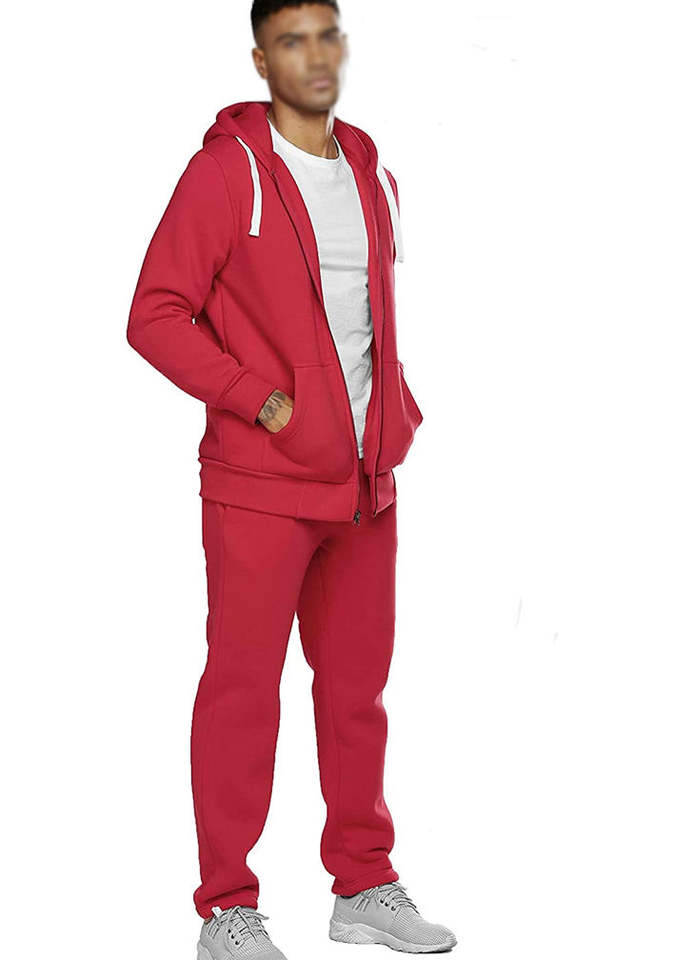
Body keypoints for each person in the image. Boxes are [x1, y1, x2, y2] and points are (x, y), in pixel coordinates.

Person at [126, 2, 455, 956]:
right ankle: (226, 909)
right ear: (261, 58)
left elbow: (366, 320)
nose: (315, 56)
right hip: (259, 486)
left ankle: (364, 885)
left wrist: (392, 411)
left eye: (327, 35)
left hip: (364, 484)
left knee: (357, 694)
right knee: (243, 691)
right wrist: (255, 398)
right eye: (291, 40)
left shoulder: (371, 169)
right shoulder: (226, 174)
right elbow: (155, 313)